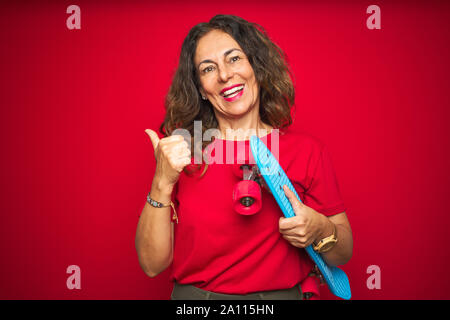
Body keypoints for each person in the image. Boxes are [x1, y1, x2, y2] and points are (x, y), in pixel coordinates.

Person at [135, 14, 353, 300]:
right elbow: (152, 265)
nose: (225, 75)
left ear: (256, 67)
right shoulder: (183, 152)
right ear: (201, 88)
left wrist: (320, 228)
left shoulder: (306, 151)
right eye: (208, 68)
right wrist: (161, 181)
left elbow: (343, 254)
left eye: (234, 59)